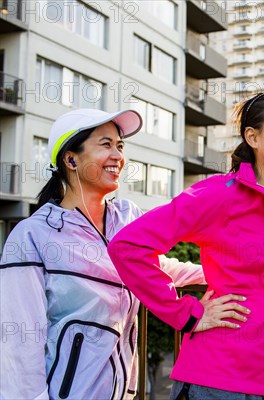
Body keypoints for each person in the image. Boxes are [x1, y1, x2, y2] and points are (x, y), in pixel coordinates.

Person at [107, 89, 264, 400]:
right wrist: (186, 314)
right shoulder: (217, 194)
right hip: (213, 384)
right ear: (253, 137)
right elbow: (127, 247)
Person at [0, 108, 205, 399]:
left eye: (120, 146)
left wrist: (228, 273)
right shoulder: (33, 235)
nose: (118, 156)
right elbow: (20, 338)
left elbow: (157, 268)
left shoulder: (128, 218)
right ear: (71, 159)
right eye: (105, 144)